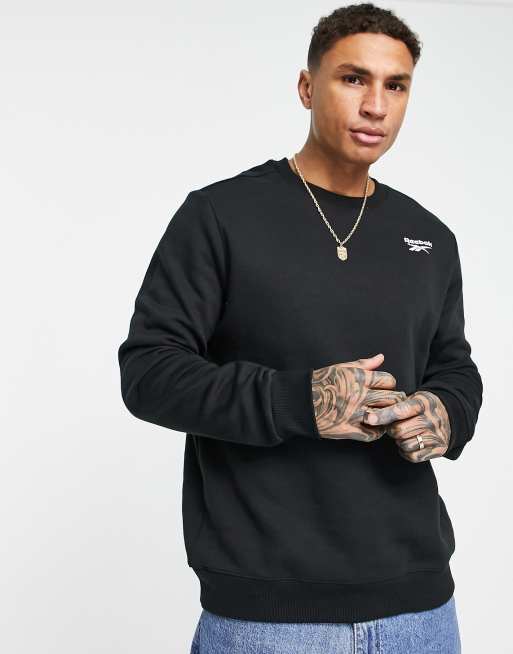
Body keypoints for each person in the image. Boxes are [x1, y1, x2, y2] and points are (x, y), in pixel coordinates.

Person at [117, 3, 483, 653]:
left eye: (395, 85)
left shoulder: (429, 236)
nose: (375, 105)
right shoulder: (220, 216)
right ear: (307, 87)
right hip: (268, 616)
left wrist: (445, 410)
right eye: (353, 78)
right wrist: (299, 401)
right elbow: (149, 372)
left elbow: (453, 365)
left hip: (420, 609)